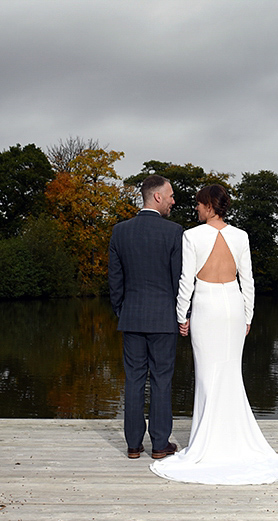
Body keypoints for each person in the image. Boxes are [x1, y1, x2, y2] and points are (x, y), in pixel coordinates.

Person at [150, 184, 278, 484]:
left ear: (208, 205)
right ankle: (232, 439)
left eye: (197, 204)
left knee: (207, 375)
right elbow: (248, 280)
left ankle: (209, 441)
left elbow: (186, 282)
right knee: (231, 372)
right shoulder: (240, 236)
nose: (195, 209)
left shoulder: (192, 236)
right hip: (232, 306)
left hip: (206, 306)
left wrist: (182, 315)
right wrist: (248, 315)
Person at [108, 175, 183, 460]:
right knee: (162, 380)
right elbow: (179, 279)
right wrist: (182, 315)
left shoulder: (120, 231)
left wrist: (122, 310)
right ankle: (161, 445)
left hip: (132, 317)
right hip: (164, 319)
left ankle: (133, 445)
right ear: (158, 197)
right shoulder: (174, 232)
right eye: (171, 195)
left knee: (134, 380)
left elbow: (115, 280)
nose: (174, 201)